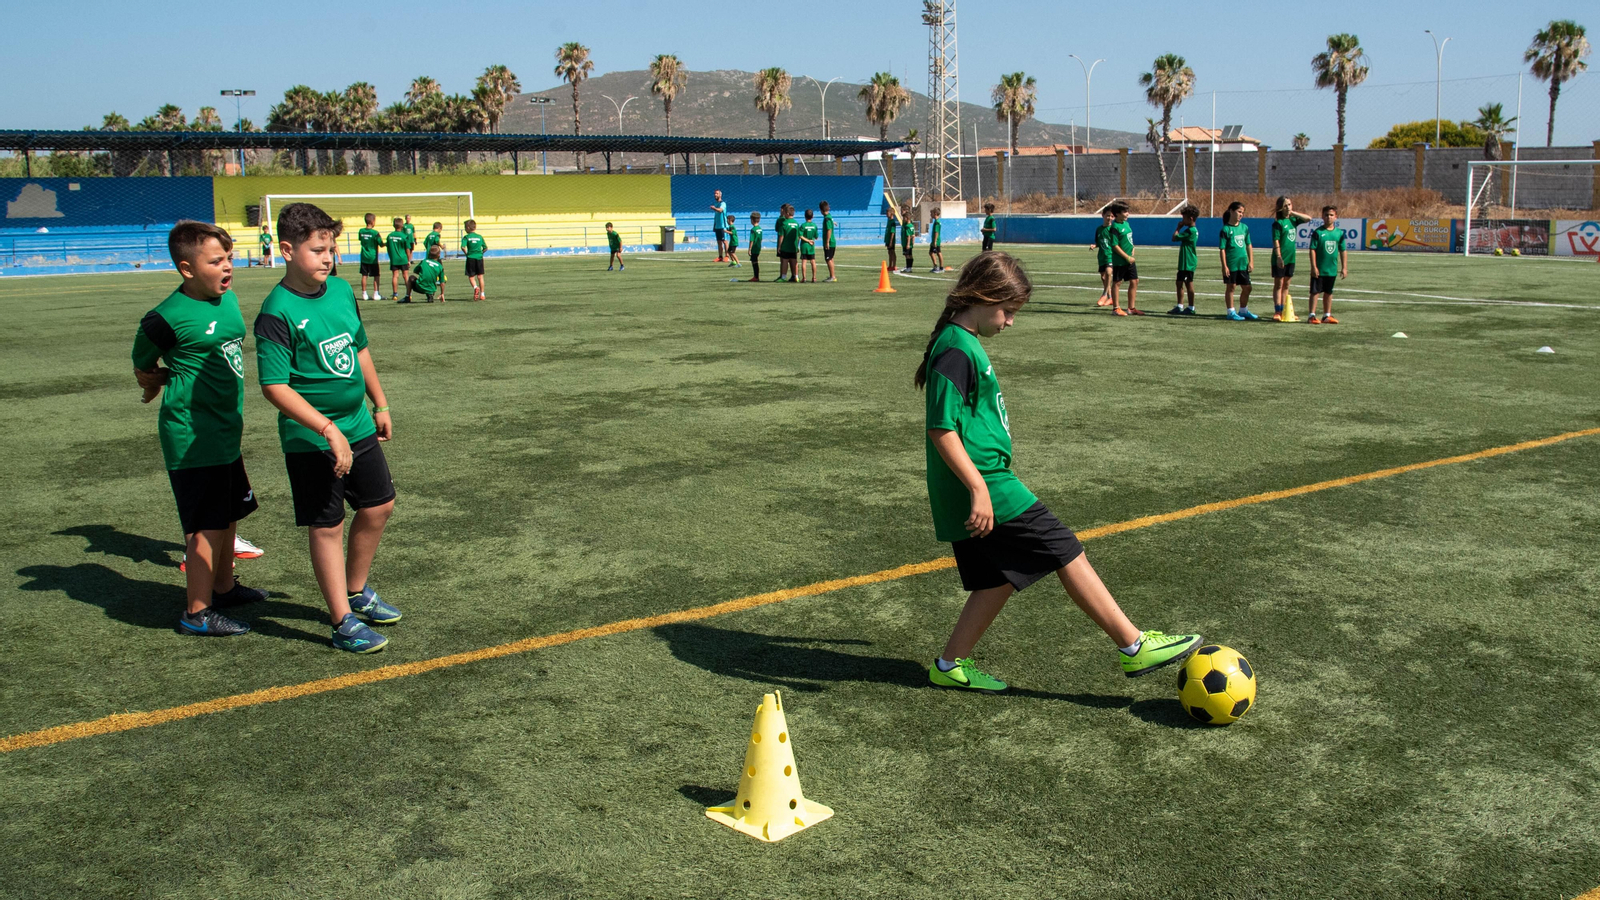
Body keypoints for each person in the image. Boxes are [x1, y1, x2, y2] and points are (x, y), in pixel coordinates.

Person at [915, 252, 1203, 692]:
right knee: (1064, 547)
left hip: (984, 480)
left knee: (998, 578)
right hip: (988, 483)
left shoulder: (960, 341)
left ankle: (949, 665)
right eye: (1008, 311)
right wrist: (978, 488)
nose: (1010, 322)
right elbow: (941, 428)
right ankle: (1133, 645)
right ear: (984, 297)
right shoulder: (955, 348)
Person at [253, 202, 401, 654]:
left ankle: (356, 590)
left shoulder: (339, 290)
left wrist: (380, 402)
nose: (328, 258)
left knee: (379, 505)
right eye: (317, 250)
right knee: (327, 525)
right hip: (311, 438)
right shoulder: (276, 312)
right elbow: (274, 386)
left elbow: (359, 348)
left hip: (357, 423)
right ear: (287, 250)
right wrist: (326, 429)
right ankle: (341, 621)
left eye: (331, 250)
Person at [133, 220, 269, 638]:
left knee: (228, 516)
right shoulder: (165, 318)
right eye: (216, 261)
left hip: (226, 431)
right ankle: (196, 612)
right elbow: (143, 363)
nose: (227, 267)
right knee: (205, 525)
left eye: (228, 258)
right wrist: (154, 382)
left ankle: (223, 589)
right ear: (187, 268)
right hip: (192, 436)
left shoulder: (228, 299)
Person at [1271, 197, 1312, 322]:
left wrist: (1293, 213)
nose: (1288, 207)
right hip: (1280, 258)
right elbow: (1276, 241)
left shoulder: (1293, 220)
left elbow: (1308, 219)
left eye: (1289, 204)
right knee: (1279, 284)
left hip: (1291, 258)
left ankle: (1284, 310)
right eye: (1285, 205)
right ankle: (1277, 310)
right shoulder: (1278, 223)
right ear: (1280, 208)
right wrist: (1279, 256)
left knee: (1286, 284)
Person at [1307, 206, 1347, 324]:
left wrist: (1344, 267)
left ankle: (1326, 316)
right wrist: (1313, 267)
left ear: (1336, 217)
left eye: (1331, 215)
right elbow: (1312, 249)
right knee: (1315, 292)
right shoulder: (1318, 232)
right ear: (1322, 216)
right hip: (1319, 269)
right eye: (1326, 215)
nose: (1328, 217)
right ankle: (1311, 316)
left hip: (1332, 269)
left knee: (1329, 292)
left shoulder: (1339, 233)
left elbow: (1343, 250)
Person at [1219, 201, 1256, 321]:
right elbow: (1222, 249)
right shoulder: (1225, 229)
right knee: (1231, 287)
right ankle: (1230, 312)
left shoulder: (1244, 227)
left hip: (1243, 264)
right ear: (1231, 211)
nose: (1241, 214)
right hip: (1232, 264)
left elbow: (1248, 245)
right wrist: (1224, 266)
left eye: (1242, 212)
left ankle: (1243, 310)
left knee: (1247, 287)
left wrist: (1251, 261)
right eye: (1239, 212)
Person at [1108, 204, 1142, 316]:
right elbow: (1114, 245)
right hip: (1120, 260)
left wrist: (1133, 248)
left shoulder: (1126, 224)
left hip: (1129, 260)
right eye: (1125, 212)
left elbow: (1129, 238)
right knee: (1117, 282)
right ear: (1117, 214)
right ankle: (1116, 308)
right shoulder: (1114, 227)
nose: (1127, 214)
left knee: (1134, 281)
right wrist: (1126, 257)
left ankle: (1131, 308)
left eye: (1127, 211)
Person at [1168, 205, 1200, 315]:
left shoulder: (1190, 231)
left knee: (1188, 283)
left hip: (1188, 262)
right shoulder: (1190, 230)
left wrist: (1178, 228)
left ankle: (1191, 307)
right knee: (1179, 283)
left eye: (1184, 218)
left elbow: (1174, 237)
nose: (1182, 220)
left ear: (1190, 218)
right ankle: (1180, 306)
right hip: (1184, 262)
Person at [357, 213, 383, 301]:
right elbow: (381, 244)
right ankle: (376, 293)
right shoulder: (375, 233)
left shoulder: (361, 231)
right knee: (376, 276)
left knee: (364, 275)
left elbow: (361, 240)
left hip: (364, 256)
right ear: (372, 221)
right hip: (373, 258)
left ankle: (364, 294)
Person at [1093, 208, 1116, 307]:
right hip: (1102, 256)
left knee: (1108, 272)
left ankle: (1104, 294)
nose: (1109, 218)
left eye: (1112, 216)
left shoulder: (1113, 229)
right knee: (1103, 277)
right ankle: (1111, 298)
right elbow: (1099, 242)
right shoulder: (1099, 229)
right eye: (1108, 215)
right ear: (1103, 215)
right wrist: (1094, 245)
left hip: (1111, 255)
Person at [385, 217, 410, 302]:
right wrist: (409, 260)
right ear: (402, 225)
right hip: (403, 259)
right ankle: (408, 294)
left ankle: (395, 294)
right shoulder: (404, 236)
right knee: (405, 276)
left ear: (394, 225)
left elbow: (388, 248)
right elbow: (407, 249)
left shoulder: (389, 236)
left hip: (394, 259)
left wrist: (391, 257)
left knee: (395, 276)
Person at [461, 219, 487, 300]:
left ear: (468, 228)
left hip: (471, 258)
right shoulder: (480, 237)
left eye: (465, 227)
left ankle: (476, 287)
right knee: (480, 276)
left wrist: (466, 254)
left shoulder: (466, 237)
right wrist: (481, 253)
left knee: (471, 277)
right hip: (479, 258)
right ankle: (482, 294)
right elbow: (485, 248)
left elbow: (463, 247)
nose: (465, 229)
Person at [778, 204, 801, 284]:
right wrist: (797, 245)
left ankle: (783, 277)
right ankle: (796, 276)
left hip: (786, 246)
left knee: (785, 261)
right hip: (793, 246)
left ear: (787, 213)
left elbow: (781, 236)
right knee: (794, 261)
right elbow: (798, 236)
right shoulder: (796, 223)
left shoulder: (784, 223)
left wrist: (779, 246)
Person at [819, 201, 838, 282]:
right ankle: (832, 275)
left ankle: (832, 277)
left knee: (828, 259)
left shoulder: (827, 219)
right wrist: (833, 222)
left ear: (821, 210)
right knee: (830, 258)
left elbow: (829, 230)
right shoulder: (829, 217)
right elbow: (831, 221)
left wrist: (827, 242)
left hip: (829, 242)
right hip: (832, 241)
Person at [799, 209, 819, 283]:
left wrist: (807, 241)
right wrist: (811, 240)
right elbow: (816, 237)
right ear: (812, 216)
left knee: (804, 261)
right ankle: (814, 278)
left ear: (805, 216)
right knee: (813, 261)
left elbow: (800, 236)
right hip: (811, 246)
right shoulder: (814, 225)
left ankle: (804, 278)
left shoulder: (803, 225)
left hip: (804, 245)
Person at [710, 190, 729, 262]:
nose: (715, 195)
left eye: (717, 193)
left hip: (723, 226)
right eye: (715, 193)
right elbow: (716, 215)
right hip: (717, 226)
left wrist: (714, 208)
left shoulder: (723, 203)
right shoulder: (715, 203)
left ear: (720, 195)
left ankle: (727, 256)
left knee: (725, 241)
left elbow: (720, 210)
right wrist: (714, 225)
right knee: (719, 242)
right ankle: (720, 257)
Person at [746, 211, 764, 283]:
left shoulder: (753, 230)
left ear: (752, 220)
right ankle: (756, 276)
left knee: (754, 262)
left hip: (754, 248)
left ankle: (756, 277)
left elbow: (751, 240)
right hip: (758, 247)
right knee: (755, 261)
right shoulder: (760, 228)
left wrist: (749, 249)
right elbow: (761, 239)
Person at [899, 207, 917, 274]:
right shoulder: (911, 225)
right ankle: (909, 267)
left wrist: (908, 244)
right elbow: (913, 234)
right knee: (909, 255)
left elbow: (908, 236)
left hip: (907, 243)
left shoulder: (907, 226)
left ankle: (908, 267)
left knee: (907, 255)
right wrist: (913, 241)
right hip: (909, 243)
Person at [928, 206, 945, 273]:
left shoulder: (937, 222)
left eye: (931, 213)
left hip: (936, 241)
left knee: (938, 253)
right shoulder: (936, 221)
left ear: (935, 213)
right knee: (932, 252)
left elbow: (936, 232)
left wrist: (935, 241)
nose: (930, 215)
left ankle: (940, 267)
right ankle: (936, 267)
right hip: (935, 240)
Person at [884, 206, 899, 272]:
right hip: (888, 240)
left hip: (891, 241)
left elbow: (892, 233)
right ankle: (890, 265)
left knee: (892, 252)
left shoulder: (893, 222)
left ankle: (894, 265)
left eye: (887, 213)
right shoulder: (889, 221)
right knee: (889, 252)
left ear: (891, 213)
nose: (886, 214)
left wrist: (891, 241)